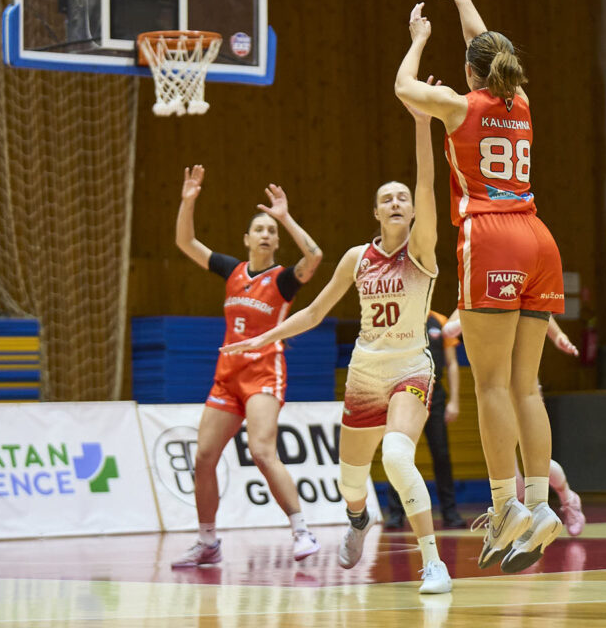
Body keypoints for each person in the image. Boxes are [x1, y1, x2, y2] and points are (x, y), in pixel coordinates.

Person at [222, 84, 452, 595]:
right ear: (376, 213)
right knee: (350, 482)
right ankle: (358, 520)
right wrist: (263, 338)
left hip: (411, 367)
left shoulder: (421, 250)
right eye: (387, 199)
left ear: (413, 211)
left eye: (403, 198)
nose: (397, 202)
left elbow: (428, 184)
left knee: (397, 456)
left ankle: (433, 563)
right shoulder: (356, 258)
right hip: (366, 371)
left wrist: (422, 123)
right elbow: (313, 312)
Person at [392, 0, 566, 574]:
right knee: (526, 387)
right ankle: (539, 506)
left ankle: (503, 507)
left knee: (490, 384)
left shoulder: (459, 106)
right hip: (539, 238)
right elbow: (486, 47)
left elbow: (403, 87)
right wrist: (465, 0)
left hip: (492, 239)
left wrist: (419, 38)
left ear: (469, 74)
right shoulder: (521, 103)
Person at [170, 168, 325, 567]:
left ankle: (301, 531)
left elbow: (315, 256)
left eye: (271, 231)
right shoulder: (231, 270)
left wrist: (285, 217)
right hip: (227, 377)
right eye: (259, 229)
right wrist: (188, 201)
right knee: (204, 457)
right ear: (247, 239)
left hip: (263, 373)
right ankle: (207, 542)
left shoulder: (283, 280)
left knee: (261, 451)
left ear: (276, 241)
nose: (266, 234)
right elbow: (185, 242)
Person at [442, 310, 587, 538]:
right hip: (495, 390)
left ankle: (568, 498)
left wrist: (558, 335)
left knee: (537, 464)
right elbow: (449, 329)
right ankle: (516, 523)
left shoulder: (512, 291)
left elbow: (538, 309)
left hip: (523, 386)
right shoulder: (475, 295)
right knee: (511, 472)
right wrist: (469, 317)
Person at [383, 308, 466, 531]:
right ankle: (395, 514)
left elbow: (452, 363)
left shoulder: (440, 321)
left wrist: (454, 401)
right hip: (405, 395)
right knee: (398, 453)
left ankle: (450, 512)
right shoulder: (397, 319)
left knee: (441, 454)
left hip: (435, 397)